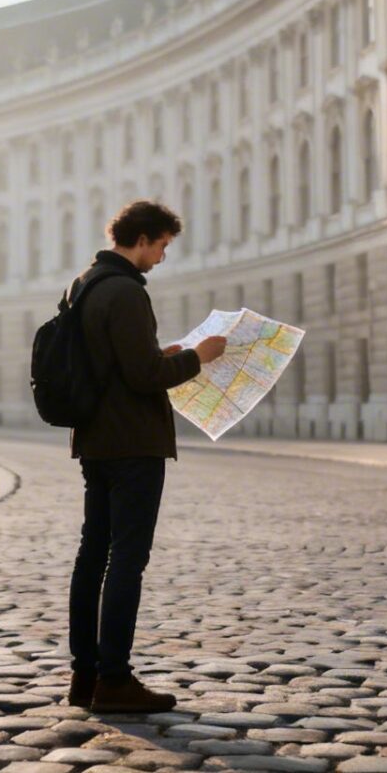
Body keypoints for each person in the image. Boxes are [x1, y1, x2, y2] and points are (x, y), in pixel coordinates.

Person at [65, 200, 226, 715]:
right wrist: (195, 359)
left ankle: (83, 675)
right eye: (160, 246)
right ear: (142, 239)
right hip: (133, 444)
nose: (161, 257)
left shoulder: (83, 284)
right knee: (126, 562)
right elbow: (143, 379)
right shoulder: (126, 292)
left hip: (94, 440)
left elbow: (115, 364)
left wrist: (161, 355)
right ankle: (115, 678)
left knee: (92, 558)